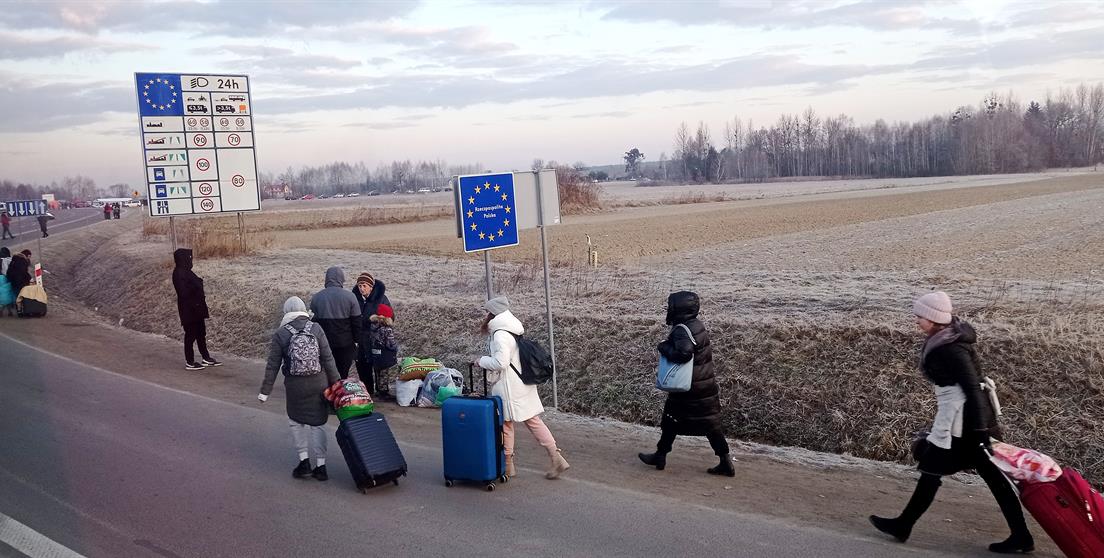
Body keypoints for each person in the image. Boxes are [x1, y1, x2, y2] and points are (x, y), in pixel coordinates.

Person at [870, 291, 1033, 554]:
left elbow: (973, 388)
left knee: (942, 470)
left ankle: (1021, 536)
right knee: (945, 471)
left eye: (920, 316)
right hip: (963, 420)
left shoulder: (951, 347)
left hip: (965, 424)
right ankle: (904, 524)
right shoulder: (946, 339)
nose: (916, 320)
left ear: (933, 318)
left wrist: (980, 431)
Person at [639, 291, 735, 477]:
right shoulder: (696, 324)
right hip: (704, 385)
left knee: (670, 420)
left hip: (688, 388)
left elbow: (684, 354)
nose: (668, 309)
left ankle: (660, 456)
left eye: (671, 306)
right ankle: (725, 461)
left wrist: (664, 347)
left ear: (679, 309)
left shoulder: (682, 330)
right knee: (710, 424)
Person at [474, 295, 570, 480]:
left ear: (493, 314)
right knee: (533, 421)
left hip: (509, 387)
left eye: (488, 313)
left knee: (506, 424)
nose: (486, 316)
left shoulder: (500, 334)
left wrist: (481, 361)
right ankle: (556, 457)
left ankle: (509, 466)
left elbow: (501, 363)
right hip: (522, 383)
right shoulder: (512, 329)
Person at [258, 296, 340, 481]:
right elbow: (328, 359)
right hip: (318, 384)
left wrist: (265, 391)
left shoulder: (281, 333)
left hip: (295, 387)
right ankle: (321, 466)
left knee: (296, 422)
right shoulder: (316, 328)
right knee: (318, 425)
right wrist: (337, 385)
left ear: (286, 311)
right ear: (303, 310)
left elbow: (273, 365)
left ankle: (304, 463)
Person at [172, 248, 221, 370]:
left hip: (196, 308)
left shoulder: (186, 271)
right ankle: (190, 362)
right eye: (189, 258)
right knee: (190, 335)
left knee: (201, 333)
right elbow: (183, 292)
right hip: (188, 309)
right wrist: (196, 286)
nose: (191, 260)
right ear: (183, 259)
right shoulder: (178, 273)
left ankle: (206, 358)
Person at [309, 267, 361, 379]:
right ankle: (340, 389)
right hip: (345, 345)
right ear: (341, 279)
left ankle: (328, 389)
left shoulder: (316, 298)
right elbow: (356, 323)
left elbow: (312, 324)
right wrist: (357, 341)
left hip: (324, 344)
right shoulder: (351, 297)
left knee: (326, 374)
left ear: (326, 279)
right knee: (342, 375)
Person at [352, 272, 392, 394]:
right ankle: (367, 391)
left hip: (377, 338)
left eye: (364, 285)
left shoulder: (382, 299)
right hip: (361, 338)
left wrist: (376, 321)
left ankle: (382, 392)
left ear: (371, 286)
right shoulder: (355, 299)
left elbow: (390, 317)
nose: (362, 288)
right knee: (363, 366)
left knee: (380, 366)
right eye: (359, 286)